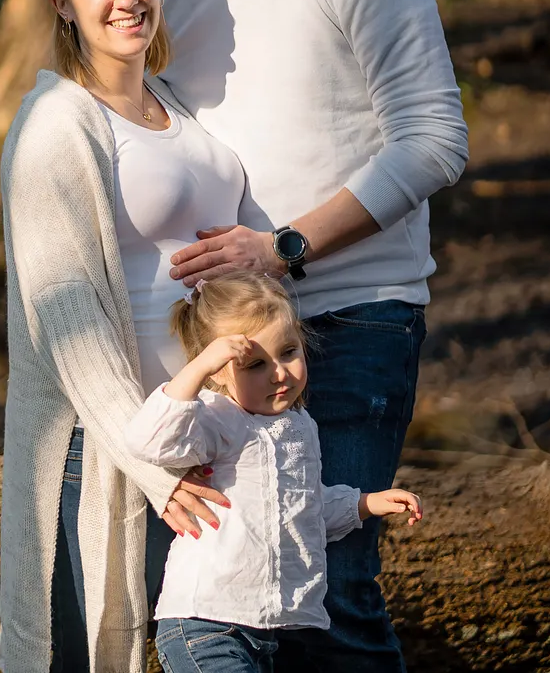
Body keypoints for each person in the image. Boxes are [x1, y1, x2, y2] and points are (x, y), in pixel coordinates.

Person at [124, 0, 469, 671]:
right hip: (217, 333)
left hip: (354, 314)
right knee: (218, 590)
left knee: (337, 588)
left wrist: (284, 246)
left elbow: (436, 141)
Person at [0, 0, 239, 673]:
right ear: (64, 5)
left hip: (208, 433)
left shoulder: (173, 107)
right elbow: (67, 319)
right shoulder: (56, 128)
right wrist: (150, 466)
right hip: (108, 448)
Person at [124, 271, 423, 673]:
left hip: (262, 633)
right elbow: (147, 441)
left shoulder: (300, 426)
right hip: (204, 622)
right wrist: (196, 370)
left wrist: (365, 503)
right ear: (219, 373)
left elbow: (306, 510)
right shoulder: (216, 417)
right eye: (255, 365)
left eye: (288, 352)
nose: (279, 373)